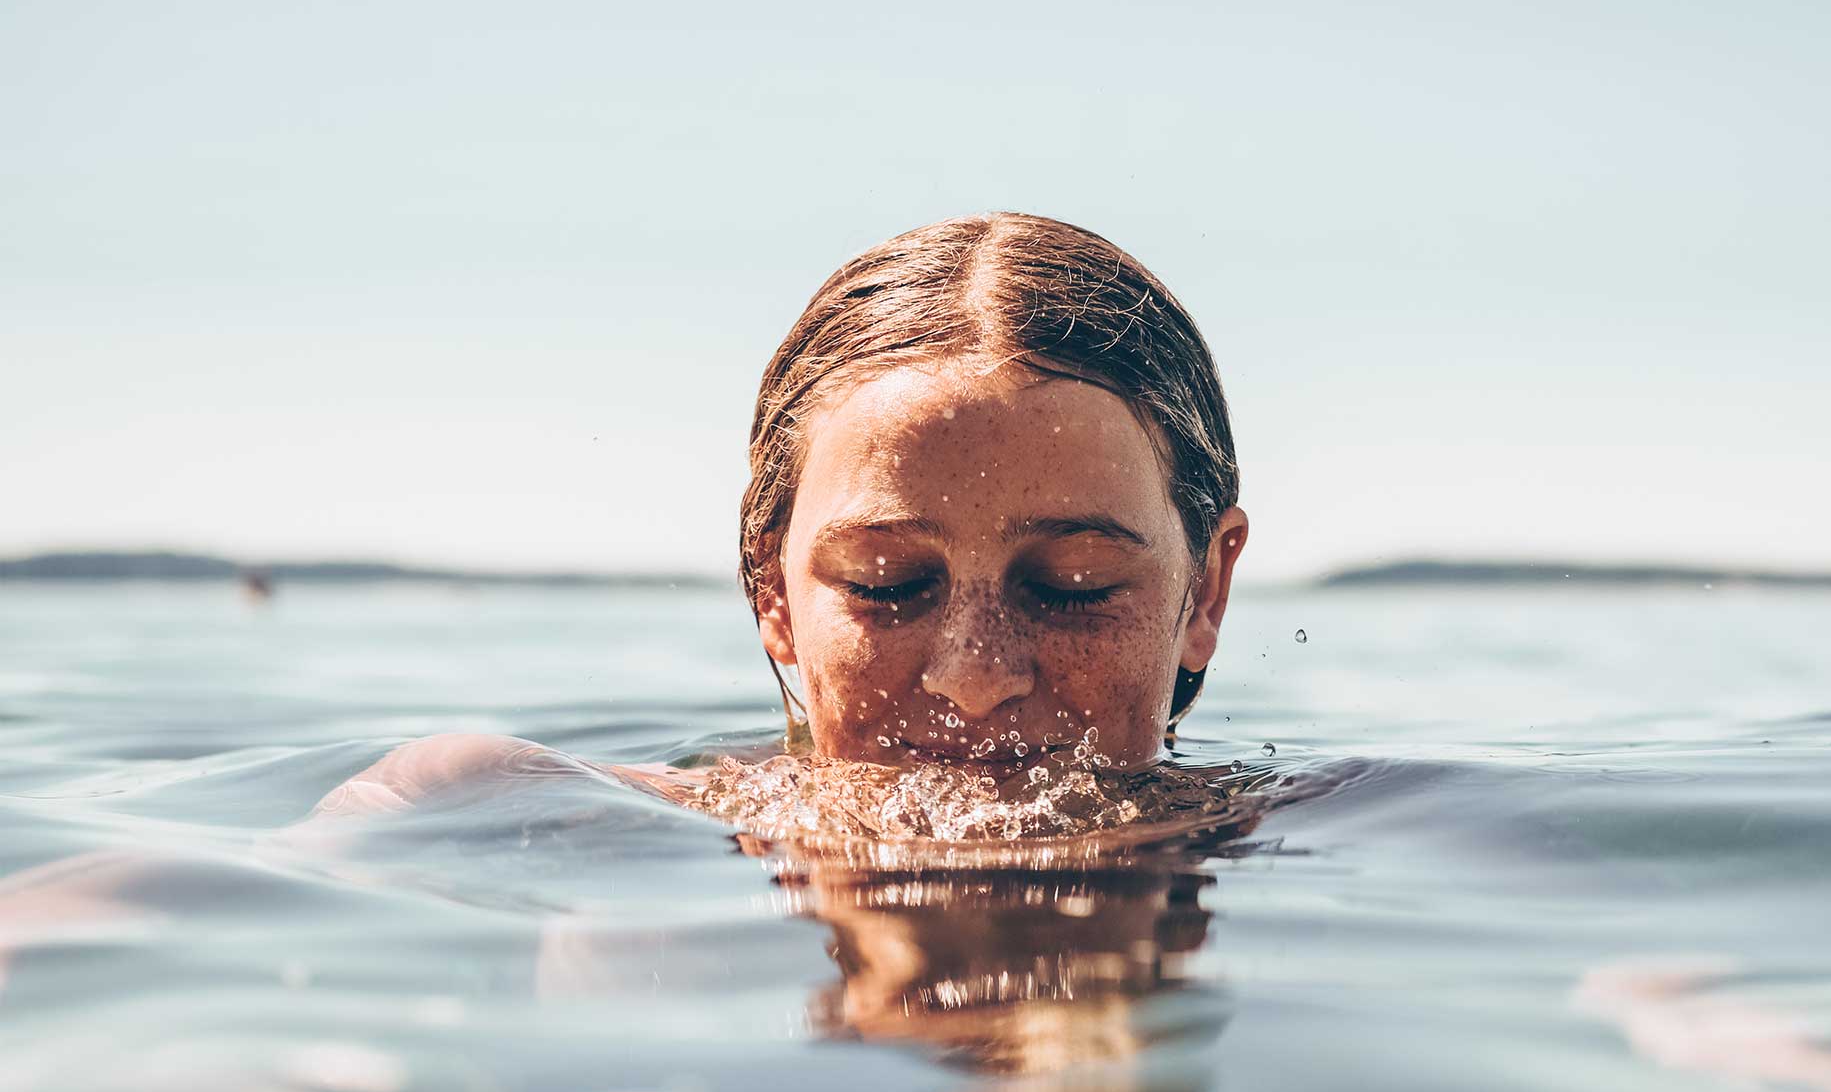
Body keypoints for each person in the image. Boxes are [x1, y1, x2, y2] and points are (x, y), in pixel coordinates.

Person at [317, 212, 1251, 819]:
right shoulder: (512, 808)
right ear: (773, 594)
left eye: (1073, 586)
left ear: (1204, 594)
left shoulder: (1314, 835)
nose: (975, 677)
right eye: (888, 584)